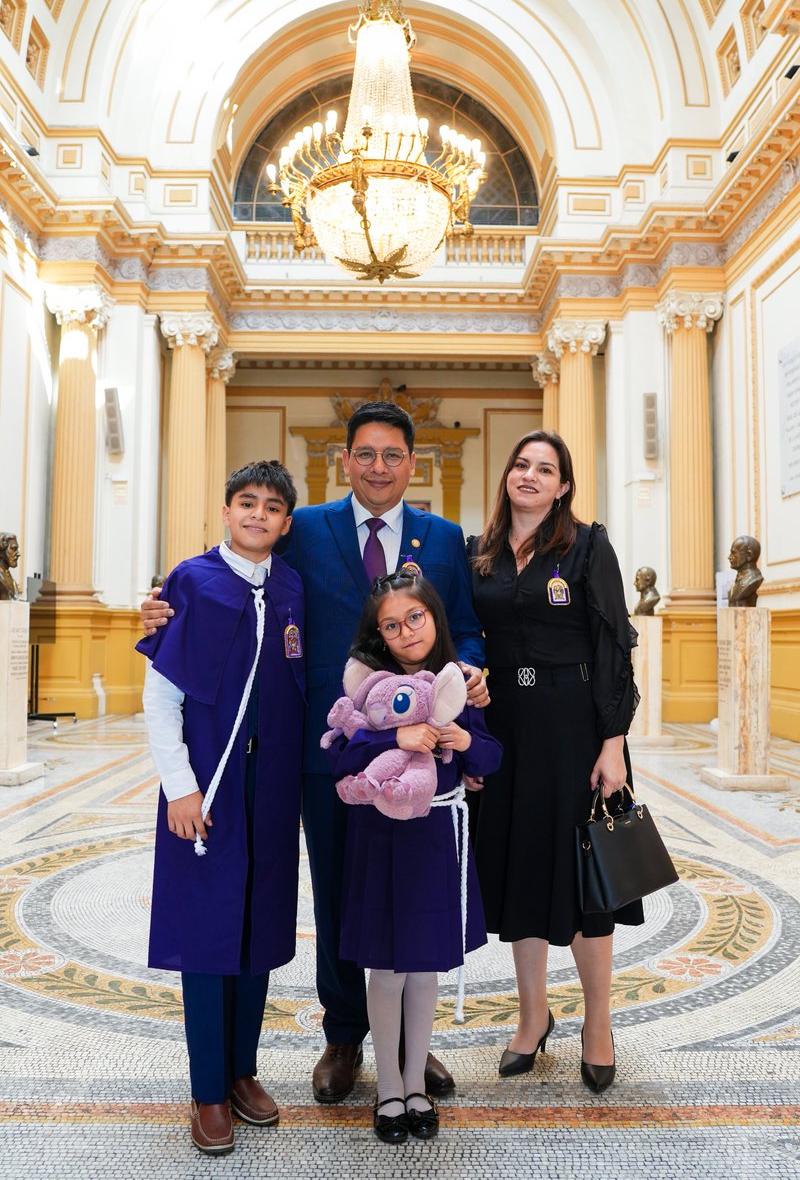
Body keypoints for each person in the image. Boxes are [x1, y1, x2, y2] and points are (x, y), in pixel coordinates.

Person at [140, 401, 487, 1102]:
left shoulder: (445, 538)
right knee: (336, 892)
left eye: (393, 455)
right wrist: (161, 610)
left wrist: (473, 669)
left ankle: (411, 1044)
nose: (379, 467)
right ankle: (346, 1033)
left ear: (412, 464)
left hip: (420, 754)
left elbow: (468, 631)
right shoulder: (304, 531)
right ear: (345, 460)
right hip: (326, 754)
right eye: (366, 454)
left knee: (413, 888)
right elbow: (237, 578)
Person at [136, 461, 305, 1155]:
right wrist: (179, 785)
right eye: (246, 503)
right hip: (203, 793)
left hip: (271, 792)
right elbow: (160, 697)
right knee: (207, 936)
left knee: (259, 930)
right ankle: (207, 1091)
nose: (258, 515)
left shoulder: (291, 585)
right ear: (226, 510)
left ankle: (242, 1071)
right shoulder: (190, 581)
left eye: (271, 507)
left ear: (286, 522)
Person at [466, 429, 641, 1094]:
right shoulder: (477, 553)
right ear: (507, 474)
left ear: (564, 485)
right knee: (522, 874)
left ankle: (599, 1024)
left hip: (575, 728)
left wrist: (613, 741)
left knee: (587, 879)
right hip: (506, 727)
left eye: (546, 469)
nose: (531, 476)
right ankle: (533, 1017)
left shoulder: (588, 546)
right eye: (522, 464)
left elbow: (614, 643)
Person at [325, 570, 502, 1143]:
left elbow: (492, 758)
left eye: (415, 618)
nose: (405, 632)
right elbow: (339, 756)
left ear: (435, 617)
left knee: (423, 964)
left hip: (435, 843)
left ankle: (415, 1078)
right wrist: (392, 740)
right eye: (391, 626)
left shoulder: (457, 684)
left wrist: (467, 743)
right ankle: (388, 1087)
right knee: (387, 966)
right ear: (378, 634)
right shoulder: (370, 692)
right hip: (381, 839)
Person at [727, 535, 763, 607]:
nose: (729, 557)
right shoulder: (739, 579)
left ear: (749, 555)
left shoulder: (753, 580)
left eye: (733, 553)